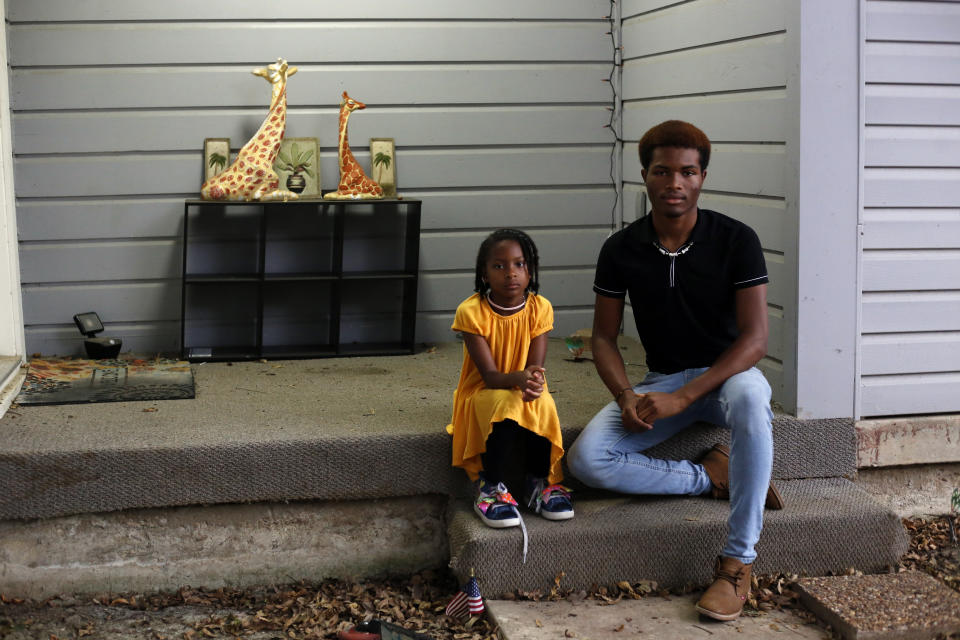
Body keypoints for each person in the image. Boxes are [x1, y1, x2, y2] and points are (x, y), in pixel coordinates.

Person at [566, 120, 783, 621]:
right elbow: (602, 337)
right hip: (663, 380)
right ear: (645, 175)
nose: (675, 183)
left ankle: (737, 562)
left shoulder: (736, 240)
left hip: (728, 376)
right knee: (587, 462)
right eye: (663, 171)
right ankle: (710, 475)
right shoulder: (620, 249)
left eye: (687, 172)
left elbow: (754, 340)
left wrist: (687, 399)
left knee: (752, 399)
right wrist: (624, 394)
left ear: (703, 177)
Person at [446, 228, 573, 537]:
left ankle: (537, 482)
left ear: (531, 269)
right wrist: (520, 379)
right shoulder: (472, 312)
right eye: (499, 266)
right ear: (484, 274)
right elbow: (490, 377)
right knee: (504, 403)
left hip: (520, 385)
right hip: (483, 391)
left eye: (519, 264)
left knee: (541, 402)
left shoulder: (540, 308)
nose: (510, 273)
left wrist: (532, 383)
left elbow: (535, 368)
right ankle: (489, 486)